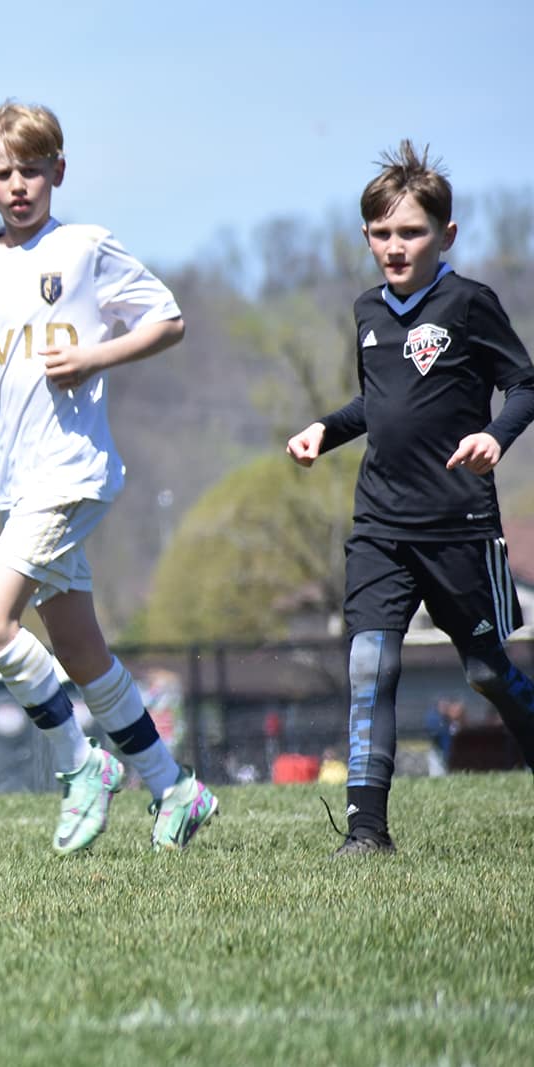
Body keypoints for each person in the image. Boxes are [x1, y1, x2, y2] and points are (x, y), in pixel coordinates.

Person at [0, 100, 218, 854]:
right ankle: (173, 786)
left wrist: (94, 356)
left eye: (31, 169)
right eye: (2, 173)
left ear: (59, 169)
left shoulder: (85, 248)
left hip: (72, 471)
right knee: (81, 651)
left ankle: (79, 764)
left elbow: (169, 319)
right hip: (17, 480)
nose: (18, 184)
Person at [287, 141, 534, 854]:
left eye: (412, 232)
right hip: (380, 524)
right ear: (366, 237)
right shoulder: (367, 312)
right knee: (370, 662)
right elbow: (379, 404)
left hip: (458, 523)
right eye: (383, 234)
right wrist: (324, 431)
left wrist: (496, 437)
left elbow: (525, 384)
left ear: (445, 235)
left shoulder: (469, 304)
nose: (396, 247)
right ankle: (367, 832)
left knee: (486, 672)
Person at [424, 697, 467, 776]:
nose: (455, 712)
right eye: (453, 710)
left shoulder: (461, 724)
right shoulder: (441, 722)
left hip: (456, 755)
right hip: (441, 754)